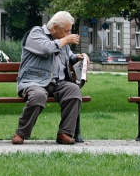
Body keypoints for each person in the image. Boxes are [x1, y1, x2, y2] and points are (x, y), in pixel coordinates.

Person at [11, 11, 88, 145]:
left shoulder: (62, 39)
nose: (69, 34)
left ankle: (64, 133)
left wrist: (78, 57)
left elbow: (68, 56)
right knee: (39, 96)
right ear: (54, 28)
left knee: (74, 91)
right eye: (66, 31)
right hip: (34, 82)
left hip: (58, 82)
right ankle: (21, 133)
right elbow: (47, 49)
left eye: (70, 31)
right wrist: (64, 40)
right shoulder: (35, 34)